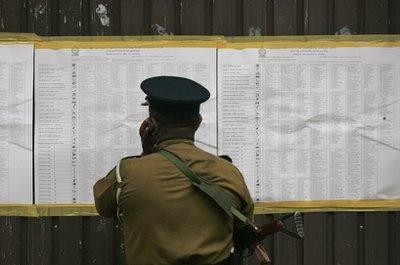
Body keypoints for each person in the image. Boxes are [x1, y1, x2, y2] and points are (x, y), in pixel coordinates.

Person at [93, 76, 254, 265]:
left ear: (150, 123)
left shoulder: (128, 172)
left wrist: (146, 155)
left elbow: (103, 206)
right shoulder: (229, 172)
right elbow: (243, 223)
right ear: (198, 121)